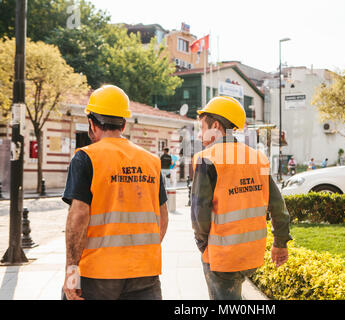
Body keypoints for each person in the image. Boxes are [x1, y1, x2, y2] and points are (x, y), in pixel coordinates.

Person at [61, 85, 169, 300]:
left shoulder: (86, 158)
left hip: (98, 274)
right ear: (124, 124)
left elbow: (78, 216)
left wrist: (72, 269)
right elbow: (163, 217)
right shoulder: (151, 161)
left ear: (92, 123)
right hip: (145, 272)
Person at [191, 96, 292, 300]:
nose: (200, 134)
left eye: (202, 127)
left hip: (222, 257)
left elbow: (199, 214)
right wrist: (280, 243)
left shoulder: (207, 159)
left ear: (216, 125)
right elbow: (278, 206)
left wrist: (203, 245)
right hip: (252, 256)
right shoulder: (257, 158)